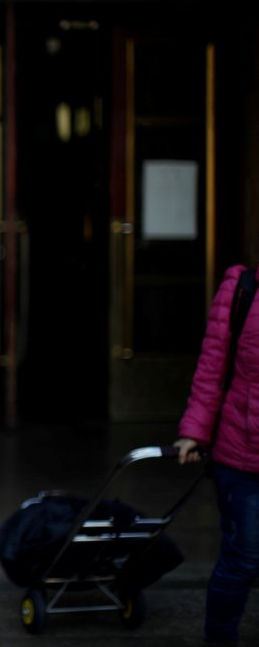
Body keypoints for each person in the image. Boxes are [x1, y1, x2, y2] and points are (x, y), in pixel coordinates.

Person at [175, 264, 259, 645]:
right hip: (242, 457)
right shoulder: (241, 287)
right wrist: (194, 430)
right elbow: (212, 368)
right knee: (243, 559)